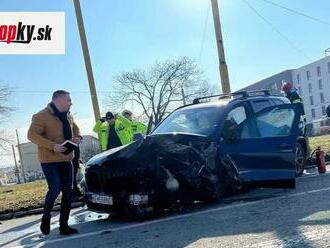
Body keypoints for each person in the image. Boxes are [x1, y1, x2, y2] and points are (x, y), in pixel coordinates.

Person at [27, 90, 81, 235]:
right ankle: (46, 216)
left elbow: (75, 129)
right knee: (55, 189)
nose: (71, 103)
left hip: (66, 158)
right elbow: (31, 135)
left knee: (68, 192)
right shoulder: (41, 116)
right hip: (49, 160)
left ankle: (64, 225)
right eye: (69, 100)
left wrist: (78, 137)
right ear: (59, 100)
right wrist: (53, 146)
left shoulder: (68, 115)